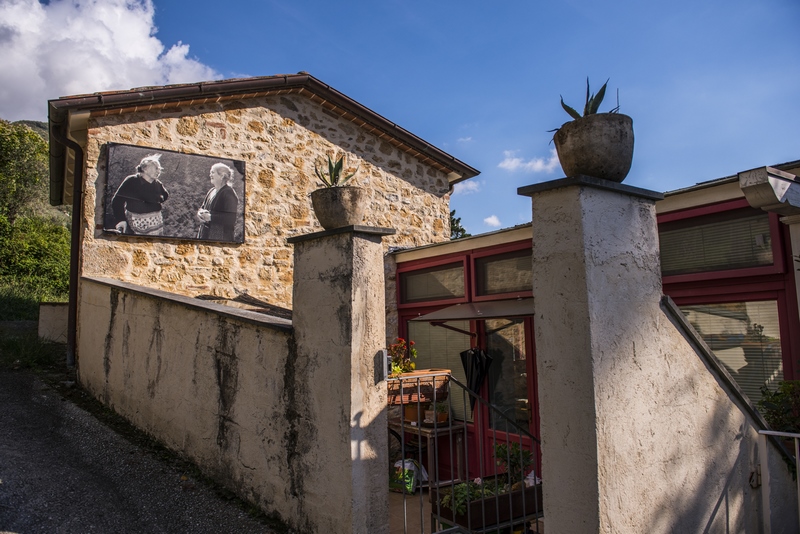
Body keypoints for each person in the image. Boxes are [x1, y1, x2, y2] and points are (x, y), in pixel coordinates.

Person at [110, 154, 170, 235]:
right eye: (156, 168)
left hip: (156, 224)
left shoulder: (157, 184)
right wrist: (121, 220)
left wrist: (158, 200)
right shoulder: (131, 181)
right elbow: (117, 201)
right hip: (135, 225)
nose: (158, 171)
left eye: (159, 169)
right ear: (144, 168)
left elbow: (165, 195)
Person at [197, 163, 239, 241]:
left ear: (222, 176)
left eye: (213, 172)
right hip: (205, 234)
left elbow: (231, 218)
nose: (210, 175)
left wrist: (210, 217)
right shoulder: (211, 191)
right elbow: (202, 207)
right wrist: (200, 213)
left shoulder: (229, 193)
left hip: (221, 238)